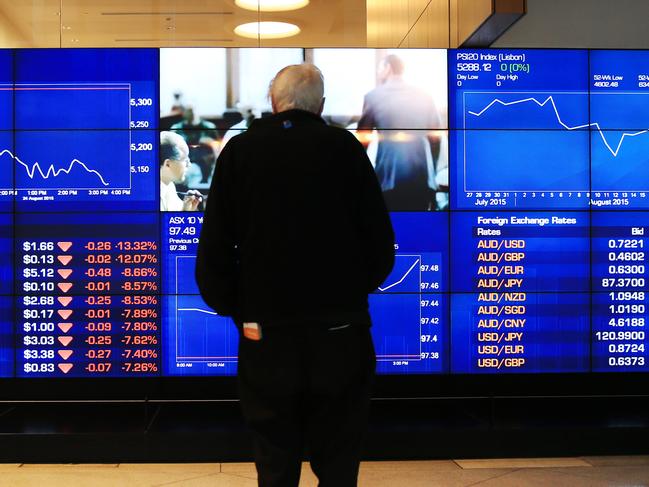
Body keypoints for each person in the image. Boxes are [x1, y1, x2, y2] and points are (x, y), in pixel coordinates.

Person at [196, 64, 395, 487]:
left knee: (274, 459)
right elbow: (380, 245)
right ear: (320, 104)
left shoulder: (240, 151)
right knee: (339, 458)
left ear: (273, 101)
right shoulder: (345, 149)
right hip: (340, 332)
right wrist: (350, 295)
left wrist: (240, 309)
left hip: (266, 333)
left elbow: (213, 250)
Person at [358, 54, 444, 211]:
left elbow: (362, 141)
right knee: (419, 229)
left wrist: (361, 176)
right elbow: (436, 138)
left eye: (380, 69)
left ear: (388, 68)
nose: (378, 73)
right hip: (422, 178)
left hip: (388, 178)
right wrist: (433, 171)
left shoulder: (373, 97)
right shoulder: (425, 95)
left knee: (393, 229)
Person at [159, 131, 203, 211]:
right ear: (168, 164)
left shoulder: (169, 185)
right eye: (185, 160)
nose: (189, 164)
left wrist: (186, 210)